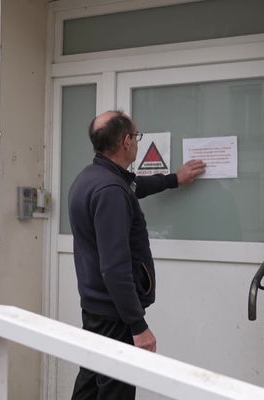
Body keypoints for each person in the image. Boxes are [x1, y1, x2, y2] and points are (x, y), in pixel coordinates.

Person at [68, 111, 205, 400]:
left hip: (97, 307)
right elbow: (115, 267)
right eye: (137, 136)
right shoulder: (110, 190)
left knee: (91, 381)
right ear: (125, 141)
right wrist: (138, 325)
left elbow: (134, 187)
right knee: (114, 389)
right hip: (114, 312)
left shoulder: (94, 177)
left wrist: (172, 180)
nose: (138, 142)